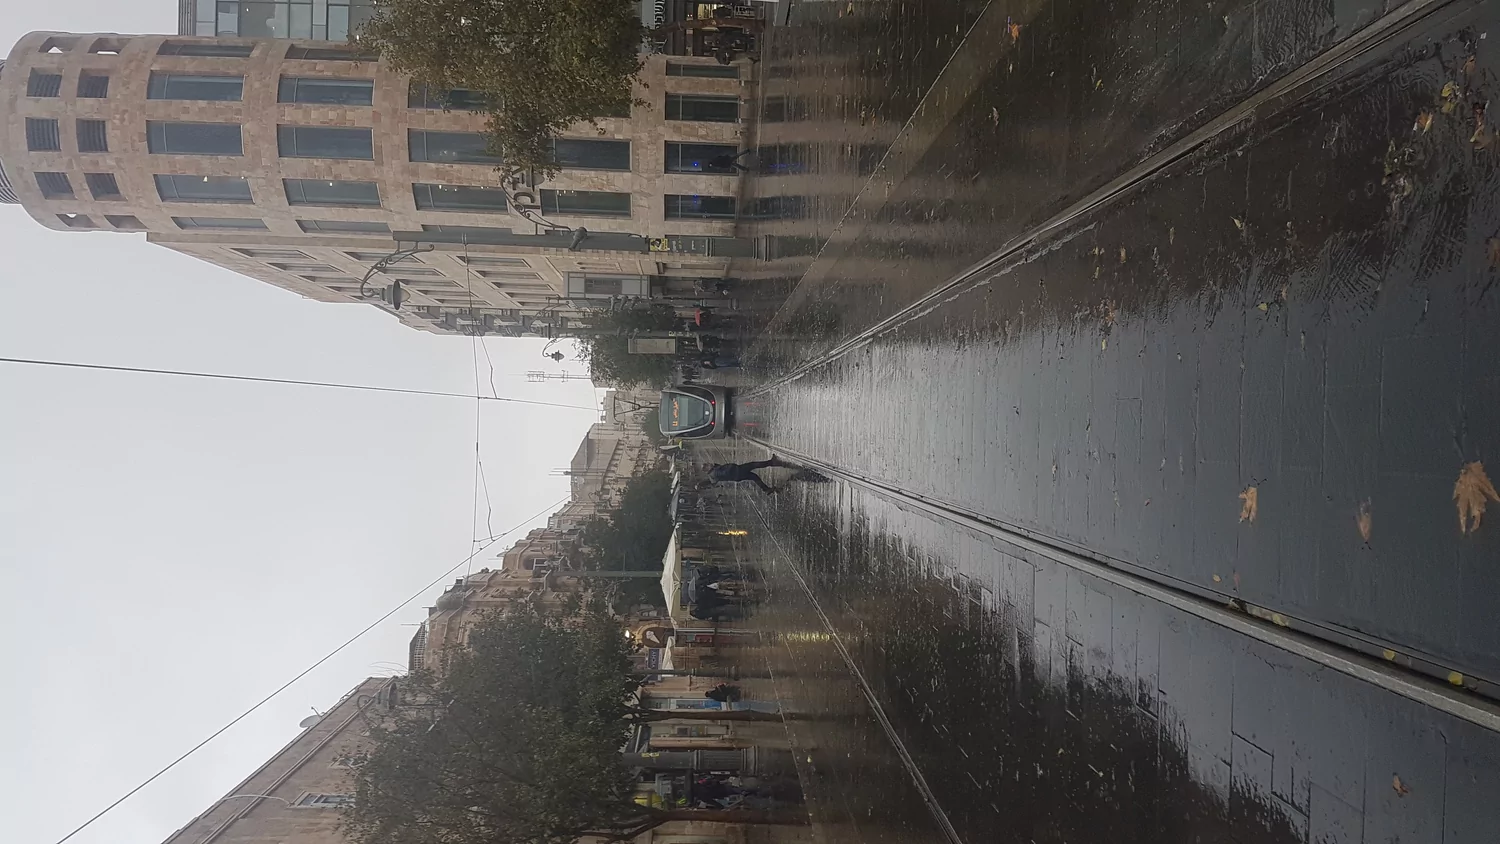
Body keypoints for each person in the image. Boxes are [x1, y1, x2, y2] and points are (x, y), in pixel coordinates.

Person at [700, 457, 788, 495]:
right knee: (754, 465)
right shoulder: (715, 473)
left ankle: (766, 489)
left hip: (737, 476)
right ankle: (772, 462)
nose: (709, 464)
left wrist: (714, 465)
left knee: (754, 477)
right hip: (737, 471)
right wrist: (731, 467)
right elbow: (725, 473)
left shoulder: (713, 474)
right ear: (707, 468)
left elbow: (717, 475)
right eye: (707, 465)